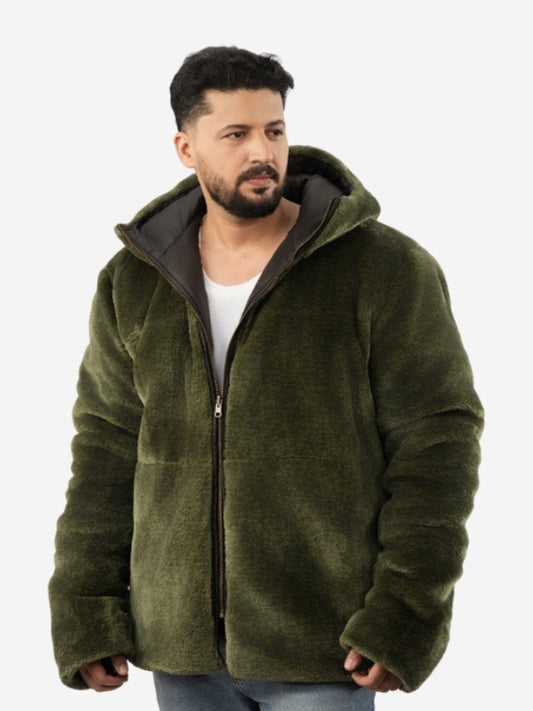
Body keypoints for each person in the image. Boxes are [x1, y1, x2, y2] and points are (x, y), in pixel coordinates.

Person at [48, 46, 483, 711]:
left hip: (324, 643)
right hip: (181, 650)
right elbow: (105, 450)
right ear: (186, 148)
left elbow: (437, 442)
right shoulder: (134, 281)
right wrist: (87, 610)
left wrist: (405, 612)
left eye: (274, 129)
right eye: (236, 134)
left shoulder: (382, 267)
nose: (263, 151)